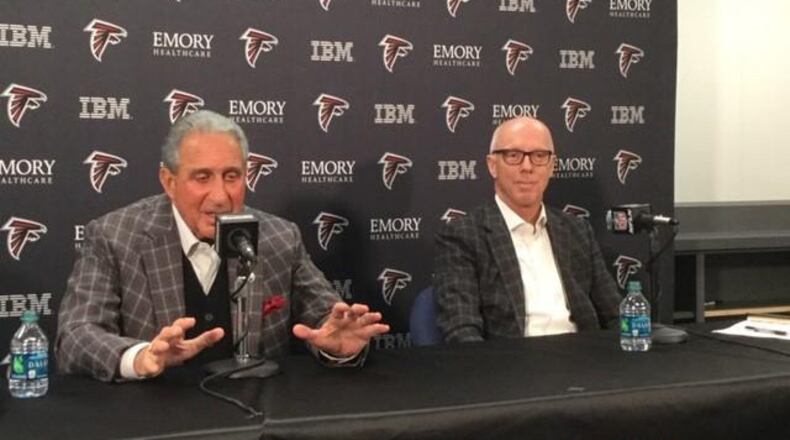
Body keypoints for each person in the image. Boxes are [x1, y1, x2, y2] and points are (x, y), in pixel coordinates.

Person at [56, 110, 389, 381]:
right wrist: (140, 357)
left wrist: (338, 346)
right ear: (169, 182)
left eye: (232, 176)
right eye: (202, 178)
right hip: (157, 415)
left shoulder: (278, 237)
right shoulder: (114, 236)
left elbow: (325, 319)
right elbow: (75, 336)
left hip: (257, 420)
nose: (220, 196)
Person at [434, 116, 621, 343]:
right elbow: (461, 330)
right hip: (509, 367)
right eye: (513, 156)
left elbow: (615, 314)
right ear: (492, 165)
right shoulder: (462, 235)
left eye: (539, 156)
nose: (527, 167)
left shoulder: (576, 230)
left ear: (552, 166)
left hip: (584, 362)